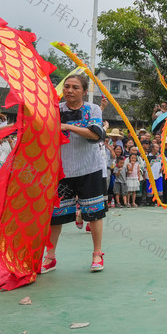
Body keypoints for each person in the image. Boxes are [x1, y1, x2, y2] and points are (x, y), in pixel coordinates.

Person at [41, 74, 108, 274]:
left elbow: (96, 134)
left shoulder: (93, 109)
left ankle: (97, 254)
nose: (69, 90)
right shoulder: (54, 110)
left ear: (84, 91)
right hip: (61, 171)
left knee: (94, 214)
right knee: (55, 216)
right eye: (67, 86)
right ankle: (50, 257)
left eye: (75, 87)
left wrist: (68, 127)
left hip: (90, 168)